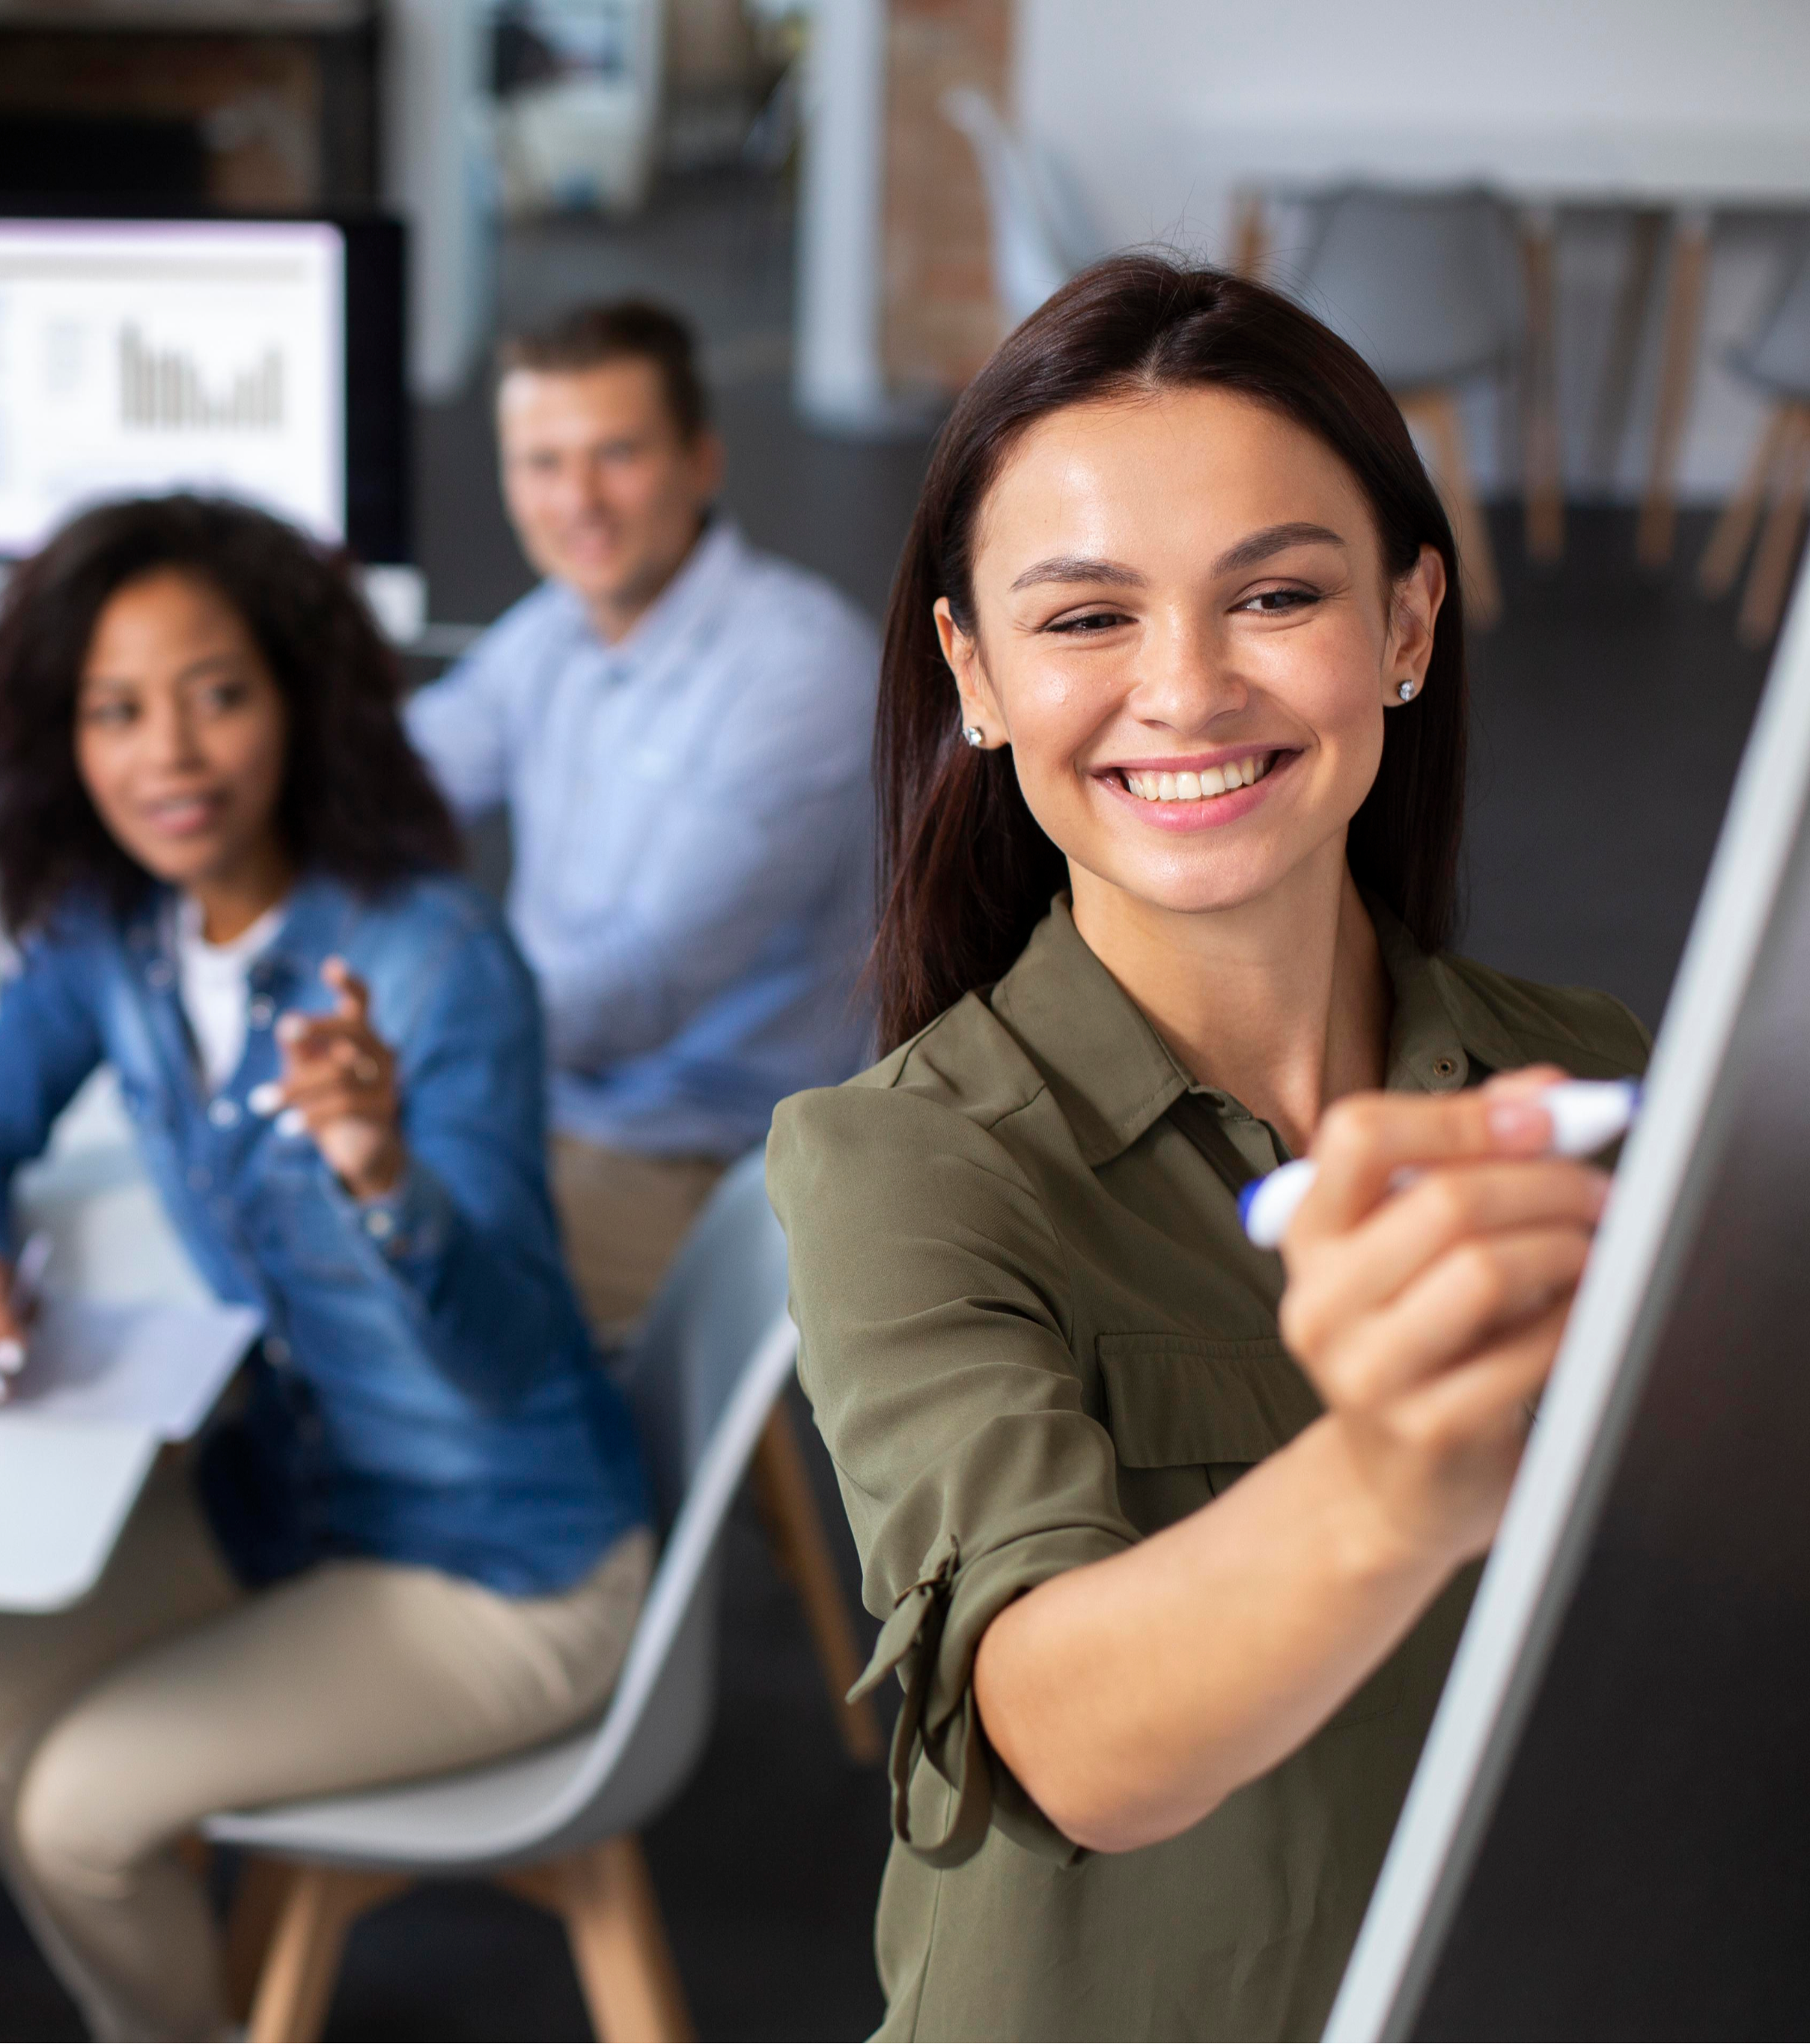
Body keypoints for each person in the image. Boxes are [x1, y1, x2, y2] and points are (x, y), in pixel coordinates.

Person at [767, 255, 1651, 2043]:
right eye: (1088, 618)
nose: (1184, 689)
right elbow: (1065, 1739)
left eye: (1276, 595)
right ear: (975, 673)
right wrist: (1395, 1482)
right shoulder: (902, 1167)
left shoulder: (1595, 1079)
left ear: (1408, 625)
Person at [0, 495, 652, 2044]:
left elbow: (506, 1351)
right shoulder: (120, 929)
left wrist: (381, 1176)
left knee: (73, 1814)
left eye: (217, 694)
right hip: (290, 1502)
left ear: (299, 698)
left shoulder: (433, 963)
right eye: (115, 710)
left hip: (498, 1567)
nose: (168, 755)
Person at [407, 299, 879, 1344]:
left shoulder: (798, 672)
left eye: (616, 455)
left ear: (701, 461)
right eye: (542, 463)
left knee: (346, 1247)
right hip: (545, 1109)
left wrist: (407, 1032)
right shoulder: (556, 630)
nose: (576, 501)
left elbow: (641, 987)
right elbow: (394, 787)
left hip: (697, 1166)